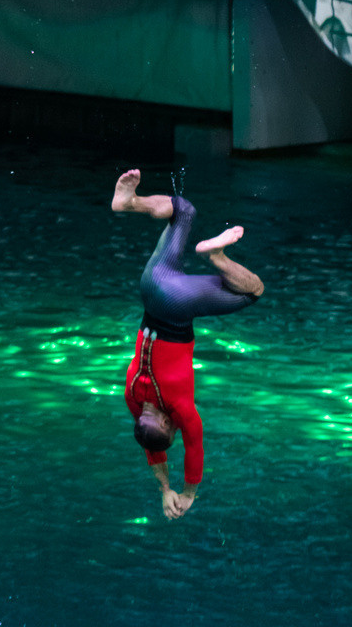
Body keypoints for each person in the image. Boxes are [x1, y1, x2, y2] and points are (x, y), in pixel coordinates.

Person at [113, 168, 264, 521]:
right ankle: (129, 203)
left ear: (168, 424)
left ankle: (216, 256)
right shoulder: (133, 398)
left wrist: (188, 493)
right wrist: (164, 489)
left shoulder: (180, 409)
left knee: (254, 291)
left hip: (176, 305)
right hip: (151, 286)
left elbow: (194, 449)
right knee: (183, 211)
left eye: (172, 433)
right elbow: (150, 446)